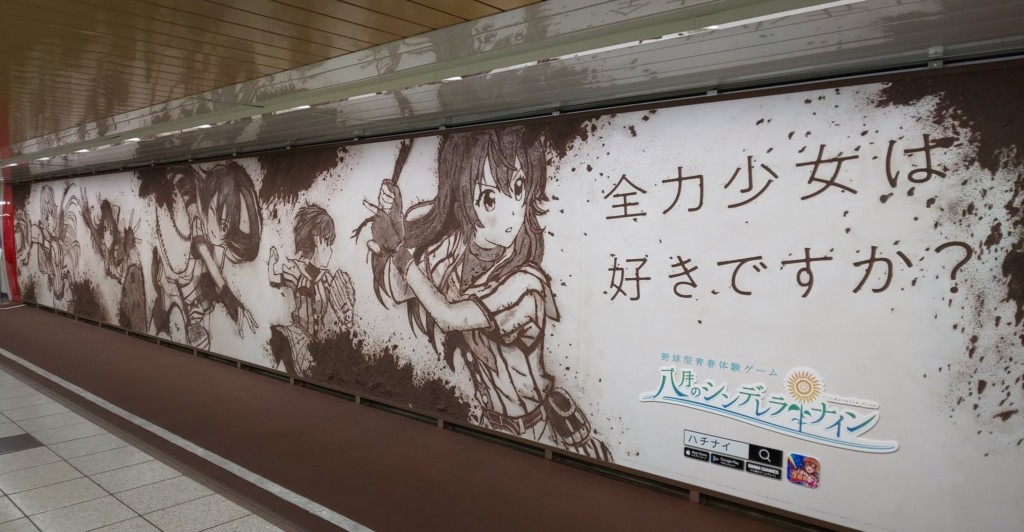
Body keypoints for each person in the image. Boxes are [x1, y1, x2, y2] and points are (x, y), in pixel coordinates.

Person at [363, 126, 611, 460]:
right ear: (464, 198)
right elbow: (400, 290)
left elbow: (450, 317)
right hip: (486, 424)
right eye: (490, 198)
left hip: (536, 430)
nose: (511, 214)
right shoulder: (453, 252)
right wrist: (398, 231)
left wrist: (400, 253)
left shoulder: (527, 284)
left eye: (518, 188)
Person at [151, 162, 260, 349]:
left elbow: (208, 263)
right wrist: (229, 299)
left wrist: (204, 306)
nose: (221, 244)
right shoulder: (189, 199)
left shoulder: (208, 240)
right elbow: (204, 252)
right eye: (224, 226)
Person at [268, 204, 355, 376]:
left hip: (315, 346)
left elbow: (342, 313)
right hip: (295, 339)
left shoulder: (327, 279)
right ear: (317, 241)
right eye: (327, 243)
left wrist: (347, 313)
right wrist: (272, 261)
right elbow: (274, 279)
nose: (330, 250)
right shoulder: (297, 271)